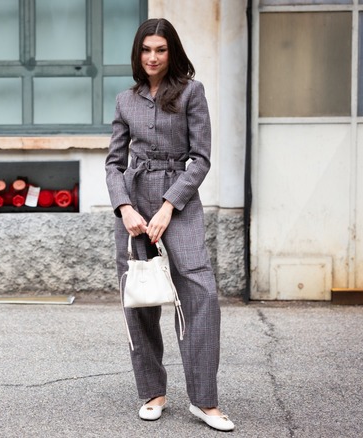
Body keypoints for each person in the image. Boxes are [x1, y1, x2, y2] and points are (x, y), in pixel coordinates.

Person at [104, 18, 235, 432]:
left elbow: (201, 158)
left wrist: (167, 207)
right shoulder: (126, 100)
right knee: (139, 297)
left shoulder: (191, 92)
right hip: (134, 201)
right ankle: (153, 392)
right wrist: (125, 207)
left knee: (200, 292)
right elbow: (113, 163)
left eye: (160, 49)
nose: (153, 57)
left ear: (171, 51)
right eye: (146, 50)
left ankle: (204, 400)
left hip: (177, 201)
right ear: (137, 54)